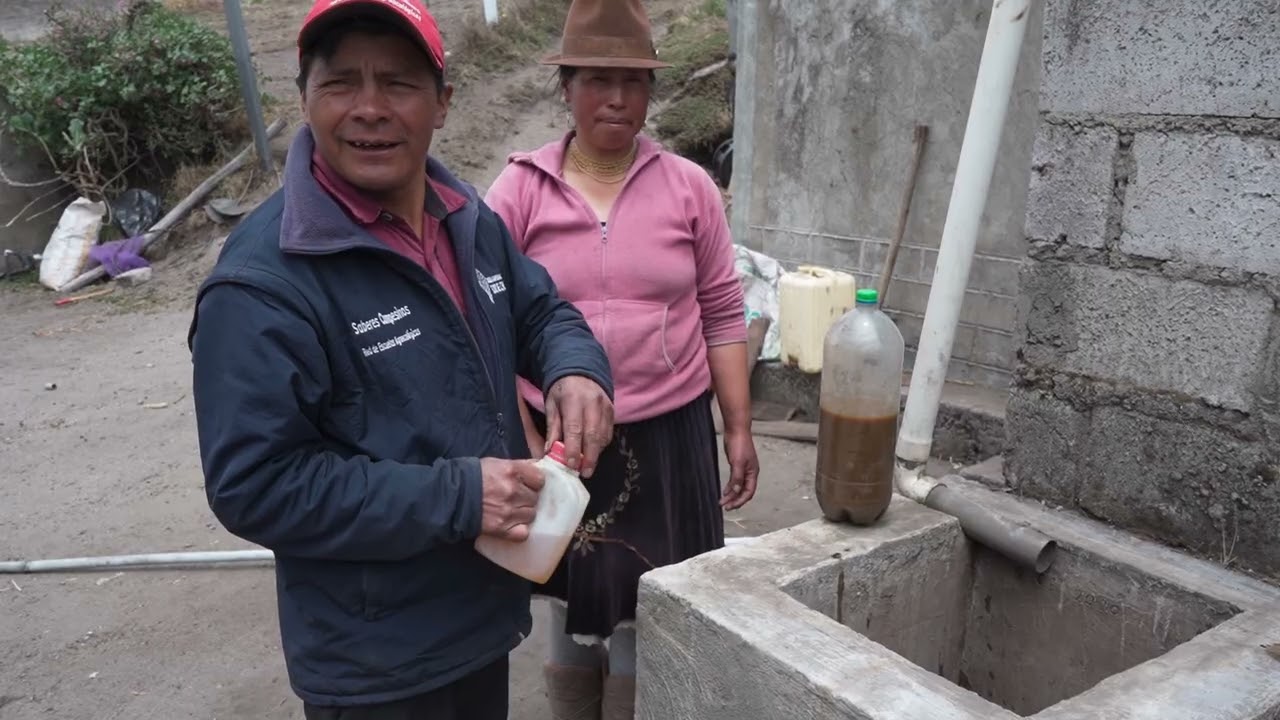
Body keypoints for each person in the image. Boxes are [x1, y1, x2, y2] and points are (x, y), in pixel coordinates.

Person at [187, 0, 616, 717]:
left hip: (483, 614)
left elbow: (540, 310)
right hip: (376, 661)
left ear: (443, 103)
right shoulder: (263, 283)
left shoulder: (465, 217)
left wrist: (575, 367)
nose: (369, 109)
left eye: (398, 82)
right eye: (340, 83)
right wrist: (458, 497)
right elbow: (254, 485)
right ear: (304, 99)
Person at [484, 1, 760, 717]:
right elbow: (486, 328)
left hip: (670, 434)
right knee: (569, 598)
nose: (616, 97)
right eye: (598, 79)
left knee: (654, 601)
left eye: (634, 81)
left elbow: (724, 312)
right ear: (566, 87)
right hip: (563, 439)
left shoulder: (689, 189)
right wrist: (526, 436)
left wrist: (736, 426)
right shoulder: (516, 192)